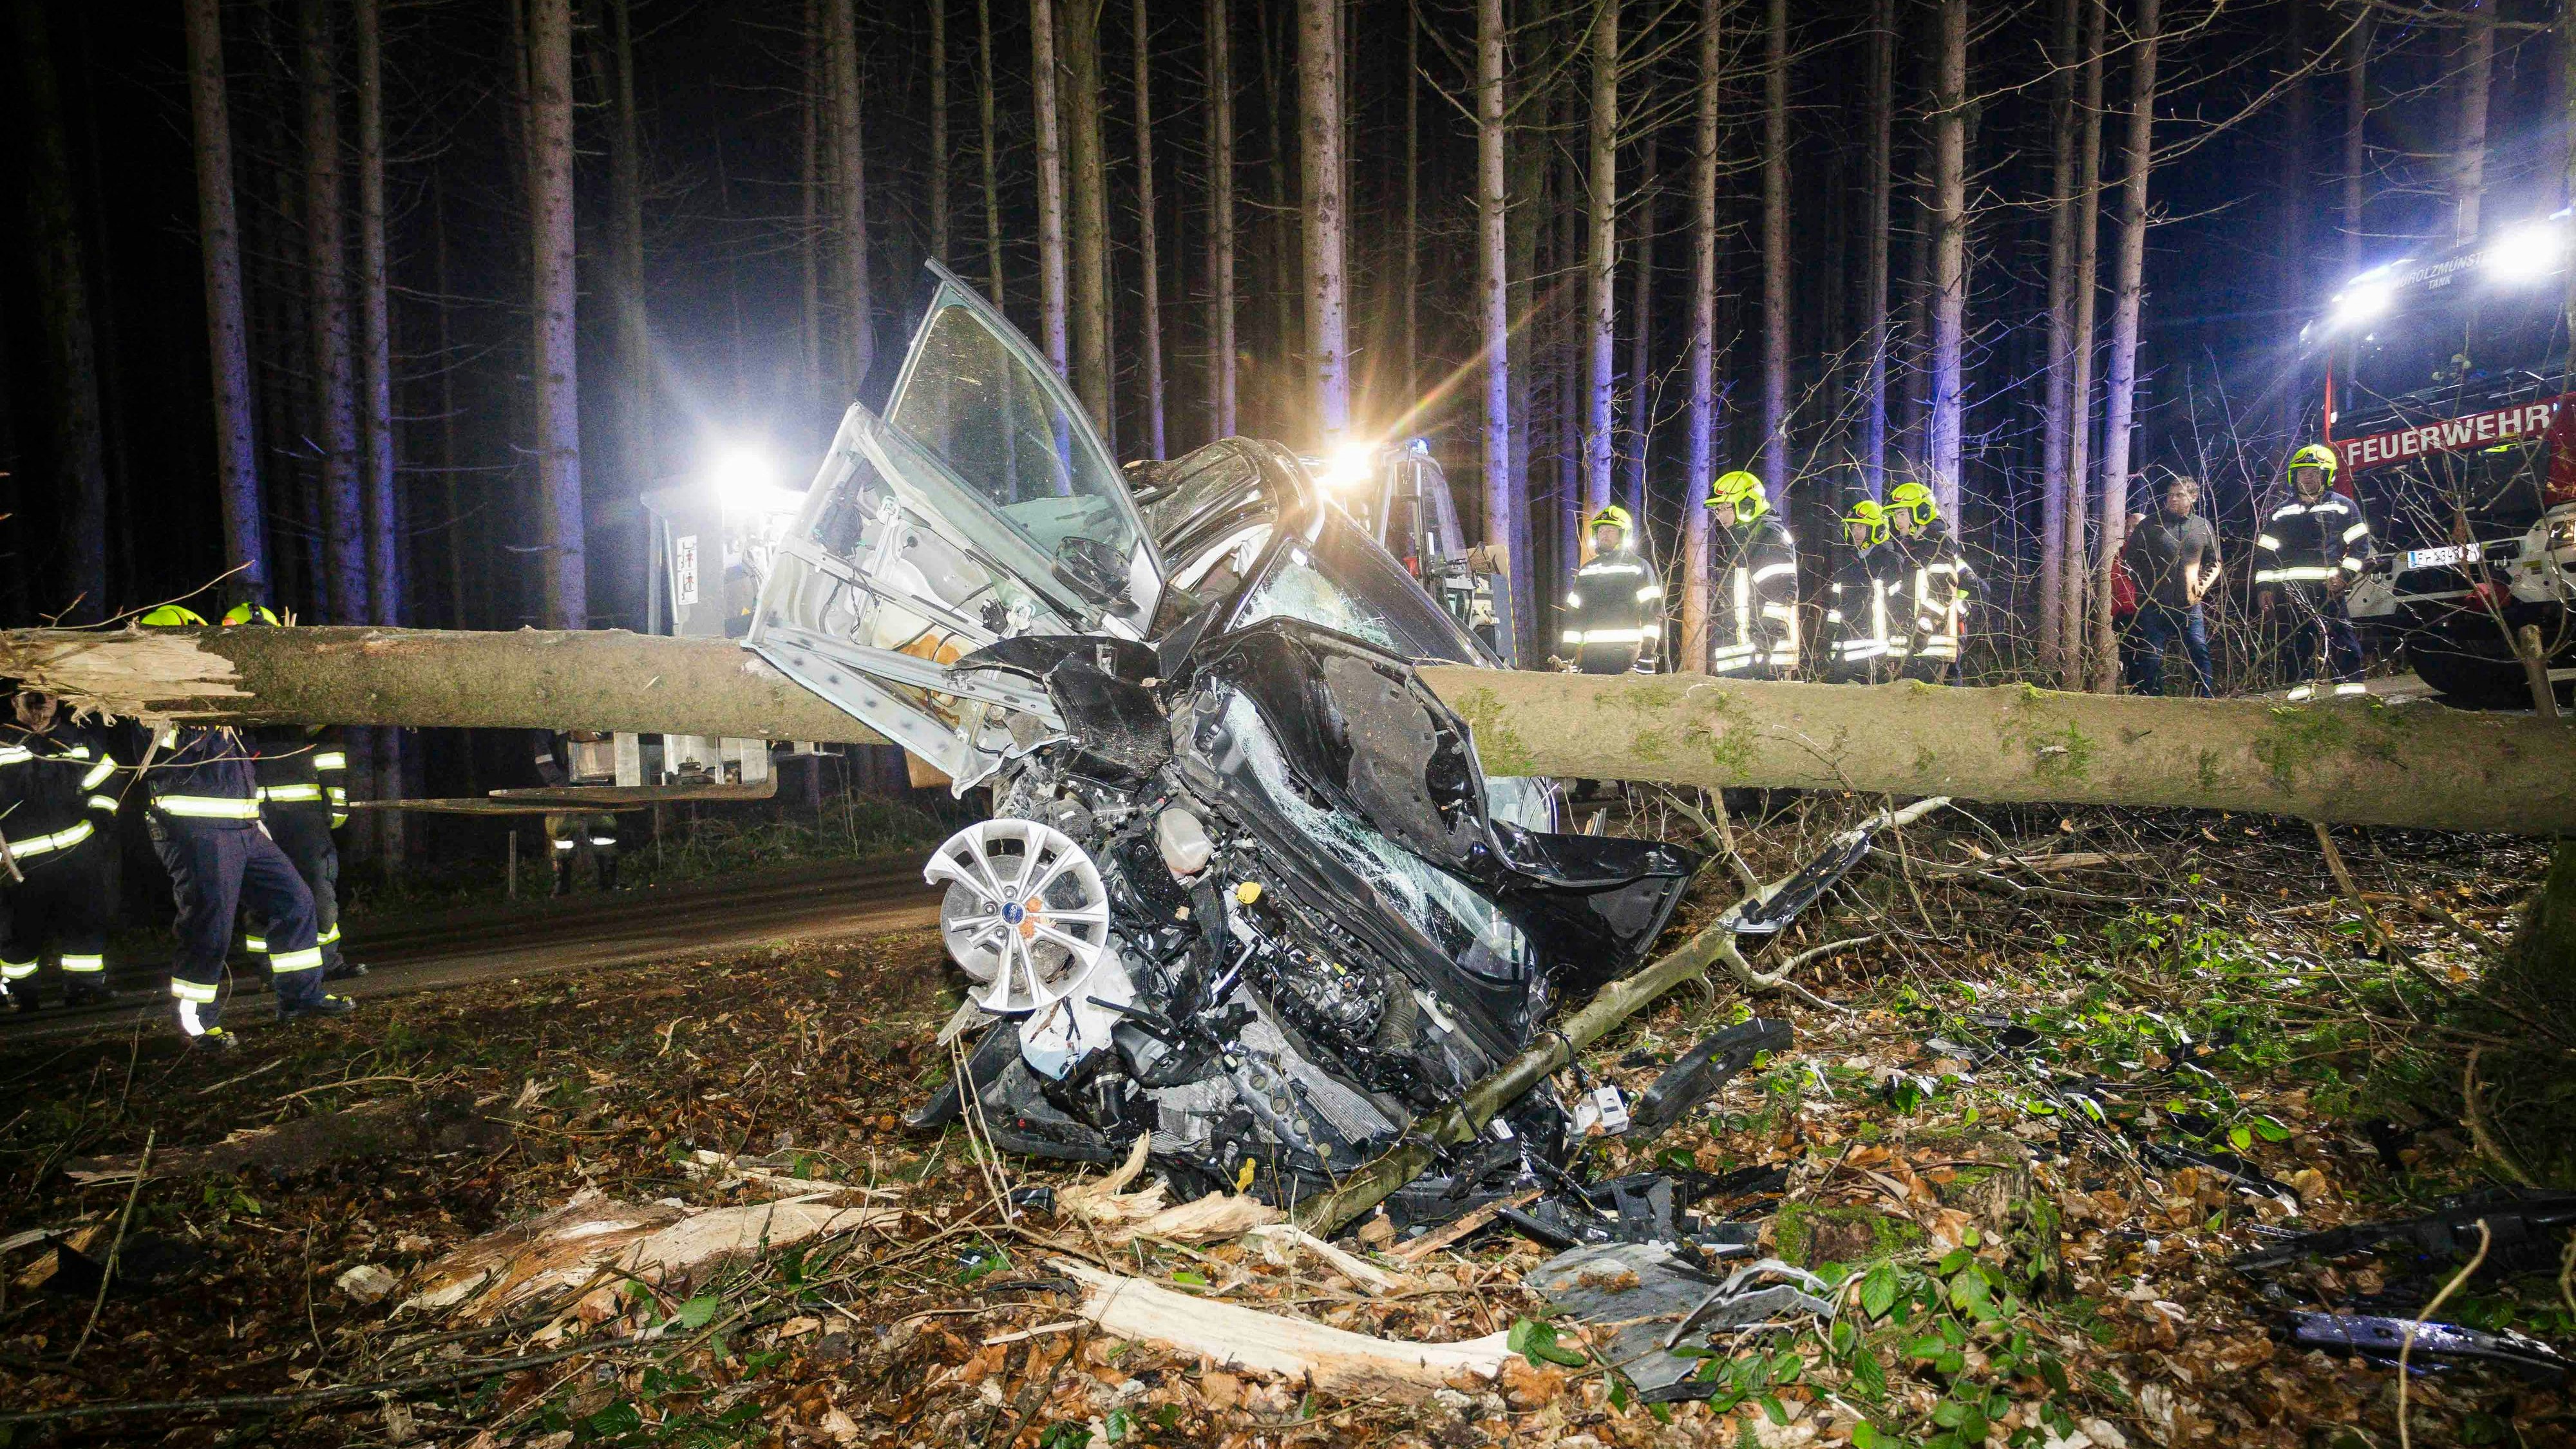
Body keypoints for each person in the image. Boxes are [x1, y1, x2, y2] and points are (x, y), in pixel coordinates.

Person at [136, 605, 348, 1050]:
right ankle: (199, 1025)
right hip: (197, 831)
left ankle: (300, 998)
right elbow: (174, 746)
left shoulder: (217, 691)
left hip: (245, 827)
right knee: (209, 926)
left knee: (295, 902)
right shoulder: (149, 694)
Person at [225, 604, 367, 981]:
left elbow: (328, 751)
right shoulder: (222, 689)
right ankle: (271, 969)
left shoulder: (297, 681)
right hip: (253, 815)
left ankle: (328, 963)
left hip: (303, 815)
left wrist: (336, 800)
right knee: (263, 896)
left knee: (318, 890)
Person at [0, 690, 123, 1010]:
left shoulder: (75, 739)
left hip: (76, 853)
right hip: (18, 860)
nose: (42, 704)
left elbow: (106, 777)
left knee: (85, 921)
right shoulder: (1, 740)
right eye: (33, 697)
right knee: (18, 929)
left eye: (50, 697)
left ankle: (85, 987)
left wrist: (102, 813)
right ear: (14, 702)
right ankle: (19, 992)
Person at [2254, 444, 2371, 700]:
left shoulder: (2343, 507)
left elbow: (2361, 547)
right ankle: (2301, 693)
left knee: (2341, 637)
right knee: (2296, 643)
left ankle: (2351, 692)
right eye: (2302, 472)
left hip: (2328, 588)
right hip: (2291, 591)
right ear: (2293, 477)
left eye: (2314, 471)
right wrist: (2264, 588)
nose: (2307, 476)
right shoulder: (2281, 512)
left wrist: (2344, 576)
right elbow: (2265, 555)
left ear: (2326, 475)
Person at [2119, 473, 2222, 697]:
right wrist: (2145, 587)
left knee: (2199, 650)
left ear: (2193, 498)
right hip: (2154, 604)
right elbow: (2128, 560)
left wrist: (2202, 586)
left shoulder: (2202, 526)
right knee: (2152, 655)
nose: (2173, 499)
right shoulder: (2150, 524)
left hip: (2189, 604)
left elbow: (2215, 562)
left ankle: (2206, 699)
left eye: (2180, 495)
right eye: (2170, 495)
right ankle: (2152, 700)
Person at [1705, 471, 1801, 679]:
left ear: (1746, 504)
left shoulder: (1768, 536)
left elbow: (1780, 594)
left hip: (1764, 661)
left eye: (1723, 508)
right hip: (1744, 659)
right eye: (1716, 510)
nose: (1719, 516)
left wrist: (1763, 649)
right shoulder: (1745, 541)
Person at [1884, 482, 1977, 682]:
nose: (1896, 520)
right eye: (1894, 515)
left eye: (1901, 514)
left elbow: (1942, 591)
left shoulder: (1937, 542)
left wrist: (1923, 628)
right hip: (1916, 643)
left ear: (1921, 512)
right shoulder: (1912, 547)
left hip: (1931, 641)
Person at [1559, 505, 1665, 674]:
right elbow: (1574, 617)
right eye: (1601, 530)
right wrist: (1567, 657)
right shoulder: (1586, 571)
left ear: (1624, 535)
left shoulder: (1639, 568)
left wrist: (1648, 655)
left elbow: (1651, 613)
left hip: (1626, 655)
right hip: (1591, 657)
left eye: (1610, 530)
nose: (1604, 534)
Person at [533, 732, 621, 895]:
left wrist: (607, 777)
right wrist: (560, 782)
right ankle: (562, 882)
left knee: (604, 832)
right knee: (561, 832)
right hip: (562, 788)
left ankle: (609, 880)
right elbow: (542, 756)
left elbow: (614, 745)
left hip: (597, 783)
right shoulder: (551, 719)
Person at [1823, 498, 1898, 683]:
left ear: (1877, 530)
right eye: (1853, 527)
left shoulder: (1890, 560)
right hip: (1847, 641)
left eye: (1861, 527)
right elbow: (1837, 605)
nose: (1855, 532)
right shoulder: (1849, 562)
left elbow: (1898, 606)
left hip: (1875, 646)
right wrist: (1828, 637)